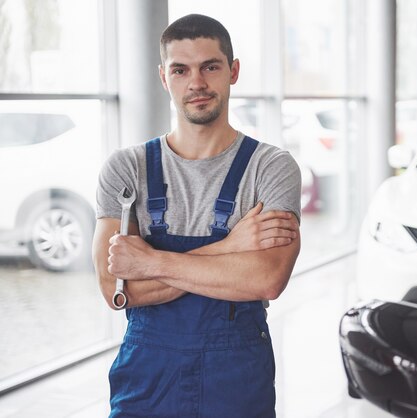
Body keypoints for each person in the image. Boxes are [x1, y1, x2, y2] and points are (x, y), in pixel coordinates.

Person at [92, 14, 301, 417]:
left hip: (237, 385)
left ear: (233, 71)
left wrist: (149, 262)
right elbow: (117, 289)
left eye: (210, 66)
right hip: (147, 384)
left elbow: (267, 278)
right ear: (163, 77)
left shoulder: (271, 167)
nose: (197, 83)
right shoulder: (126, 169)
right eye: (180, 70)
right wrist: (230, 248)